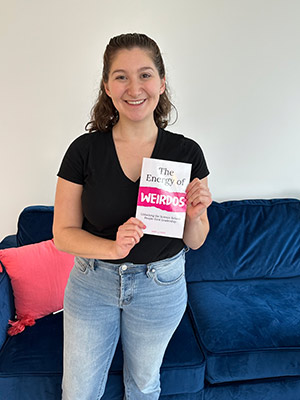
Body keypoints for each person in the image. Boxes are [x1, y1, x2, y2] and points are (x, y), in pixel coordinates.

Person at [53, 32, 212, 400]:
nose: (134, 87)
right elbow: (62, 233)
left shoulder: (187, 152)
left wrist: (196, 215)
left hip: (162, 286)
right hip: (93, 283)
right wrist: (112, 247)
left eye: (145, 74)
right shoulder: (83, 150)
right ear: (107, 86)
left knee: (143, 385)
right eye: (121, 76)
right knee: (78, 391)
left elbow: (195, 240)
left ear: (161, 82)